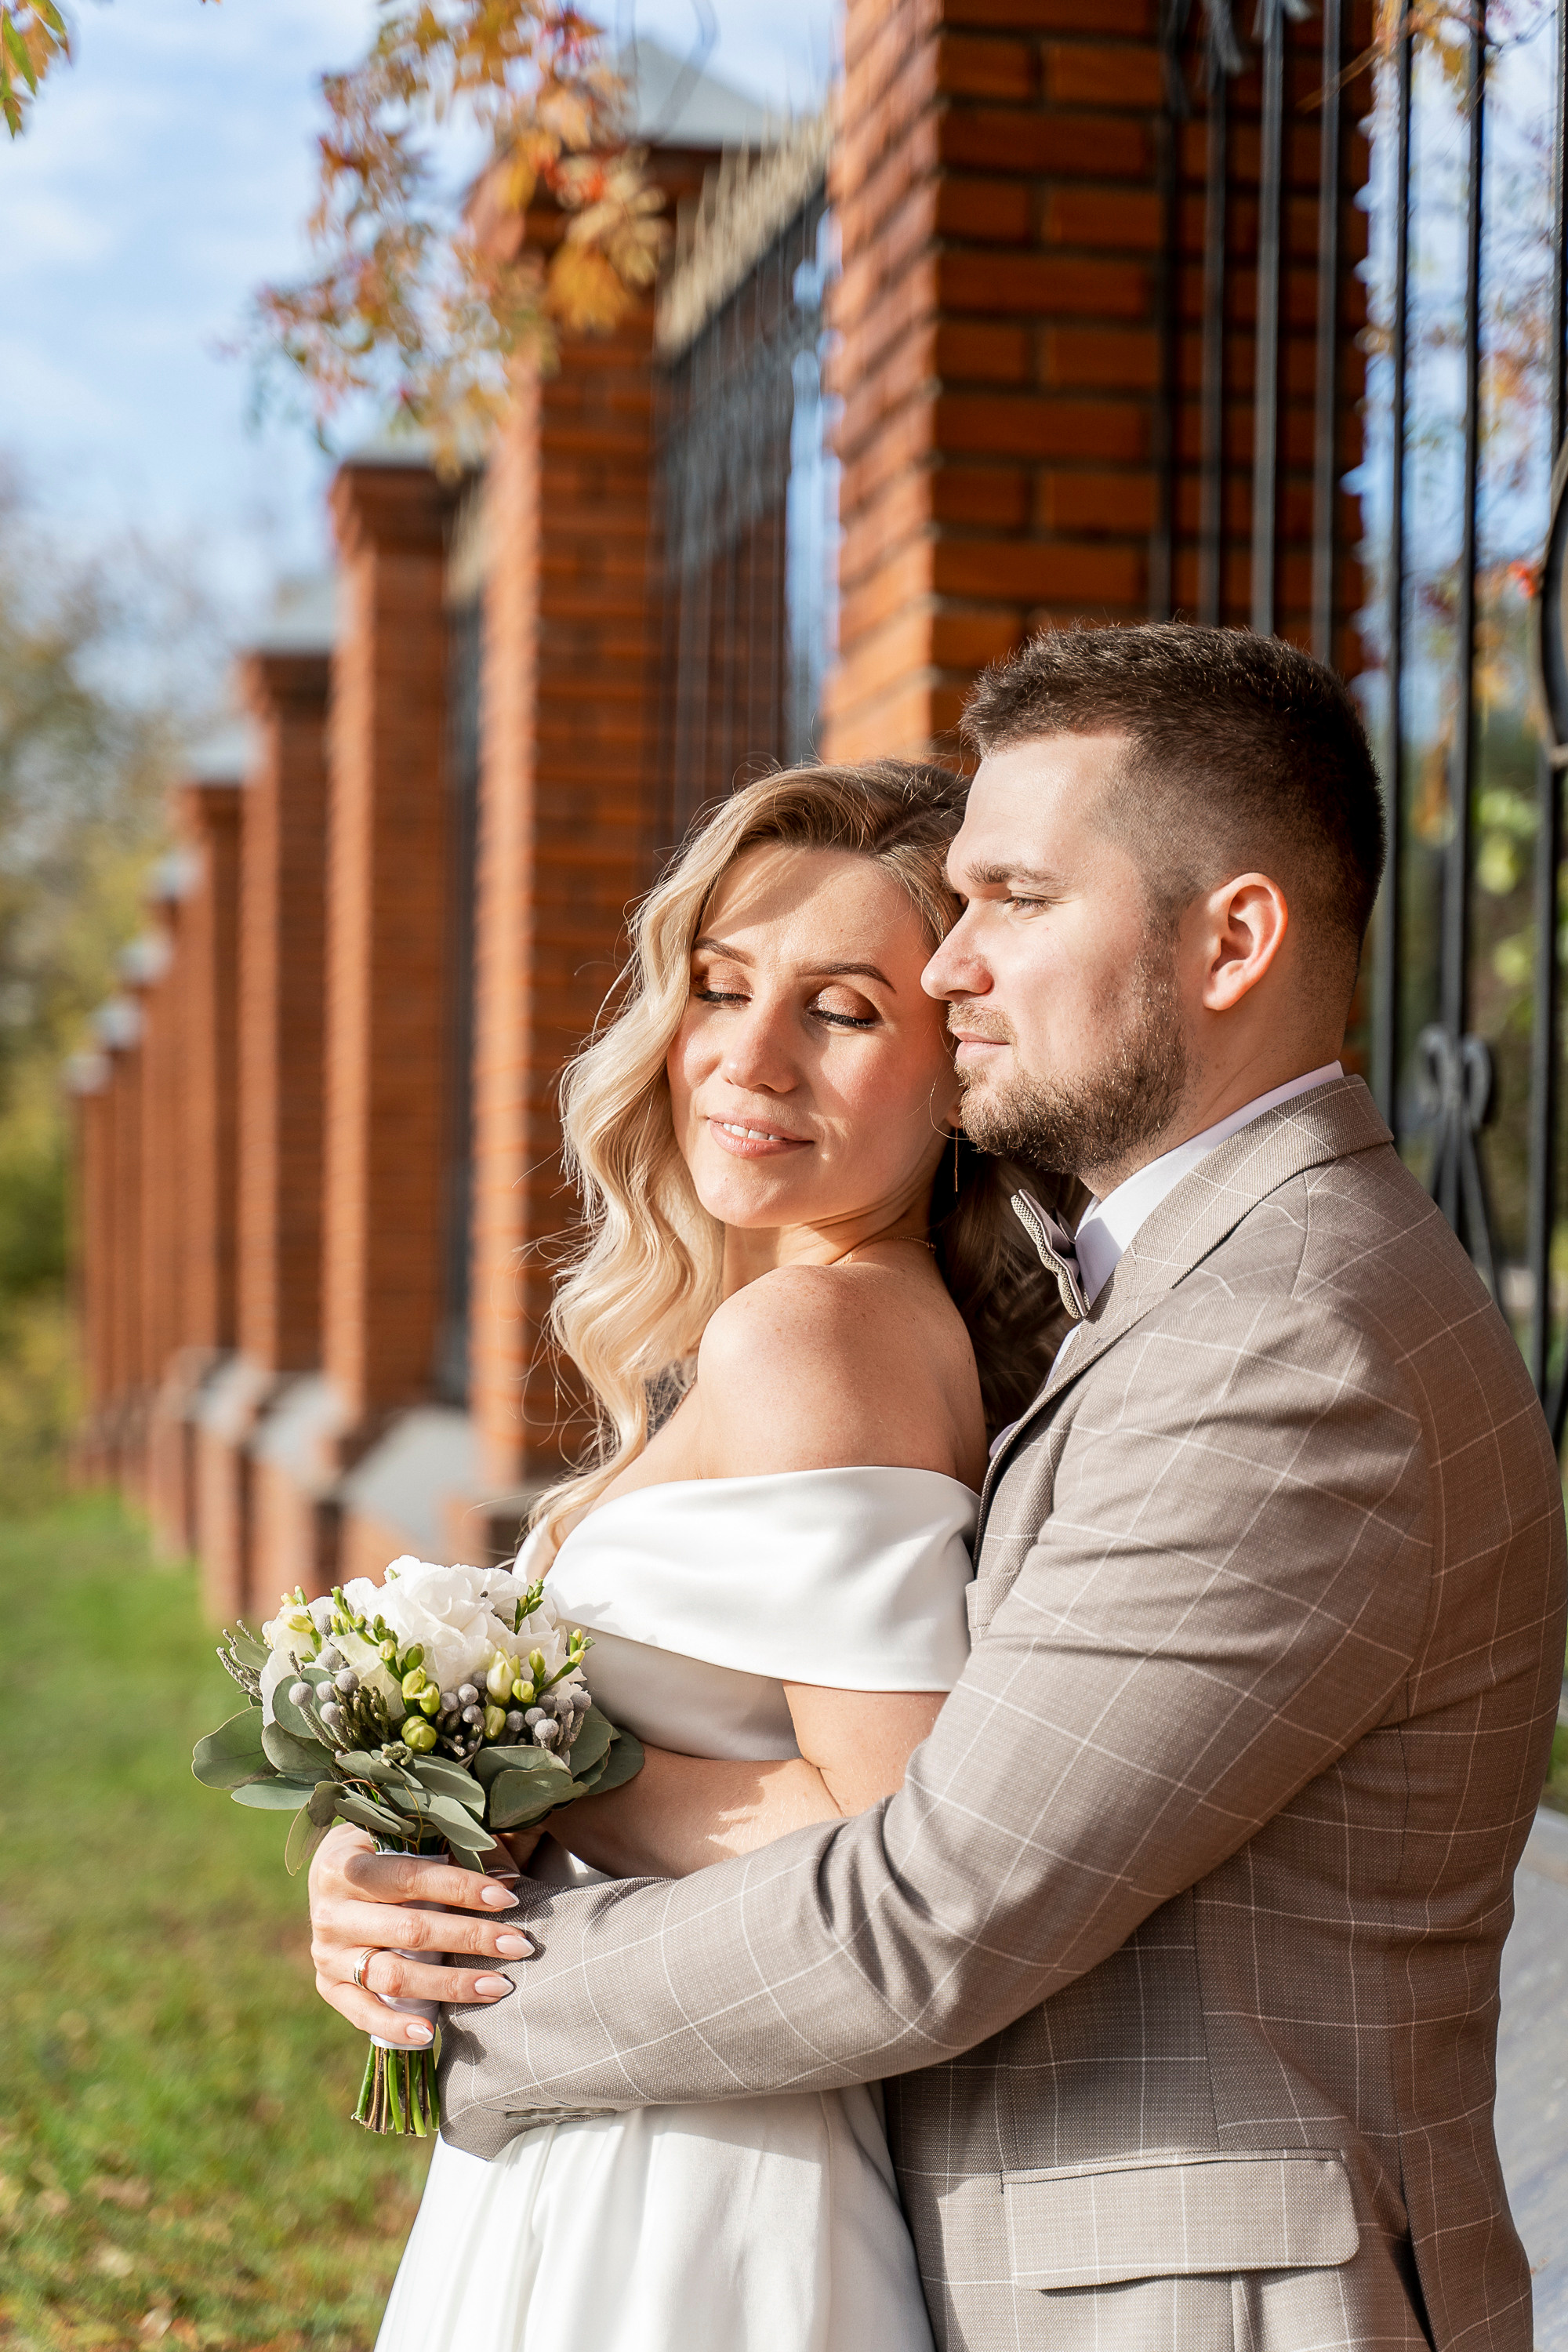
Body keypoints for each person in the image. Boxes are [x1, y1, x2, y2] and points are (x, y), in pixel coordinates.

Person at [312, 624, 1567, 2352]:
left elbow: (927, 1905)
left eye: (1014, 903)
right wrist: (426, 1848)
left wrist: (473, 2004)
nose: (954, 964)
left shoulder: (1291, 1338)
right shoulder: (1160, 1286)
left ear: (1235, 940)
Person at [310, 758, 1071, 2352]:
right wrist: (392, 1859)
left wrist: (526, 1764)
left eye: (842, 1011)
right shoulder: (782, 1322)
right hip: (631, 2117)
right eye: (721, 988)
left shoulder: (818, 1336)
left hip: (699, 2190)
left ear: (955, 1065)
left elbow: (897, 1846)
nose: (744, 1057)